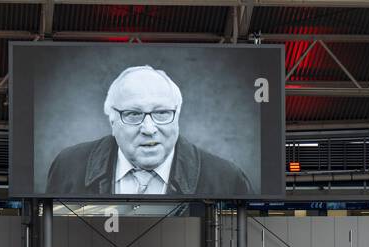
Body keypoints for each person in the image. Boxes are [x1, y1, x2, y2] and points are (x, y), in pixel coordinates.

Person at [44, 65, 252, 196]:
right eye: (134, 114)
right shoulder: (67, 166)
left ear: (177, 116)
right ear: (113, 120)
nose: (149, 129)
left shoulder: (227, 178)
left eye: (161, 113)